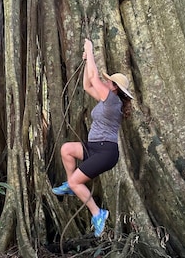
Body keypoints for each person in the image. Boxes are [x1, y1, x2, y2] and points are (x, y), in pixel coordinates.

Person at [52, 38, 133, 237]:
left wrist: (90, 49)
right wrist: (87, 59)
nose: (106, 82)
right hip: (94, 146)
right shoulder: (107, 100)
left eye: (109, 82)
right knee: (67, 150)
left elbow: (95, 78)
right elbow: (89, 85)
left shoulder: (113, 100)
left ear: (114, 87)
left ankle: (98, 213)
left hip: (106, 151)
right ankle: (72, 185)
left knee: (75, 182)